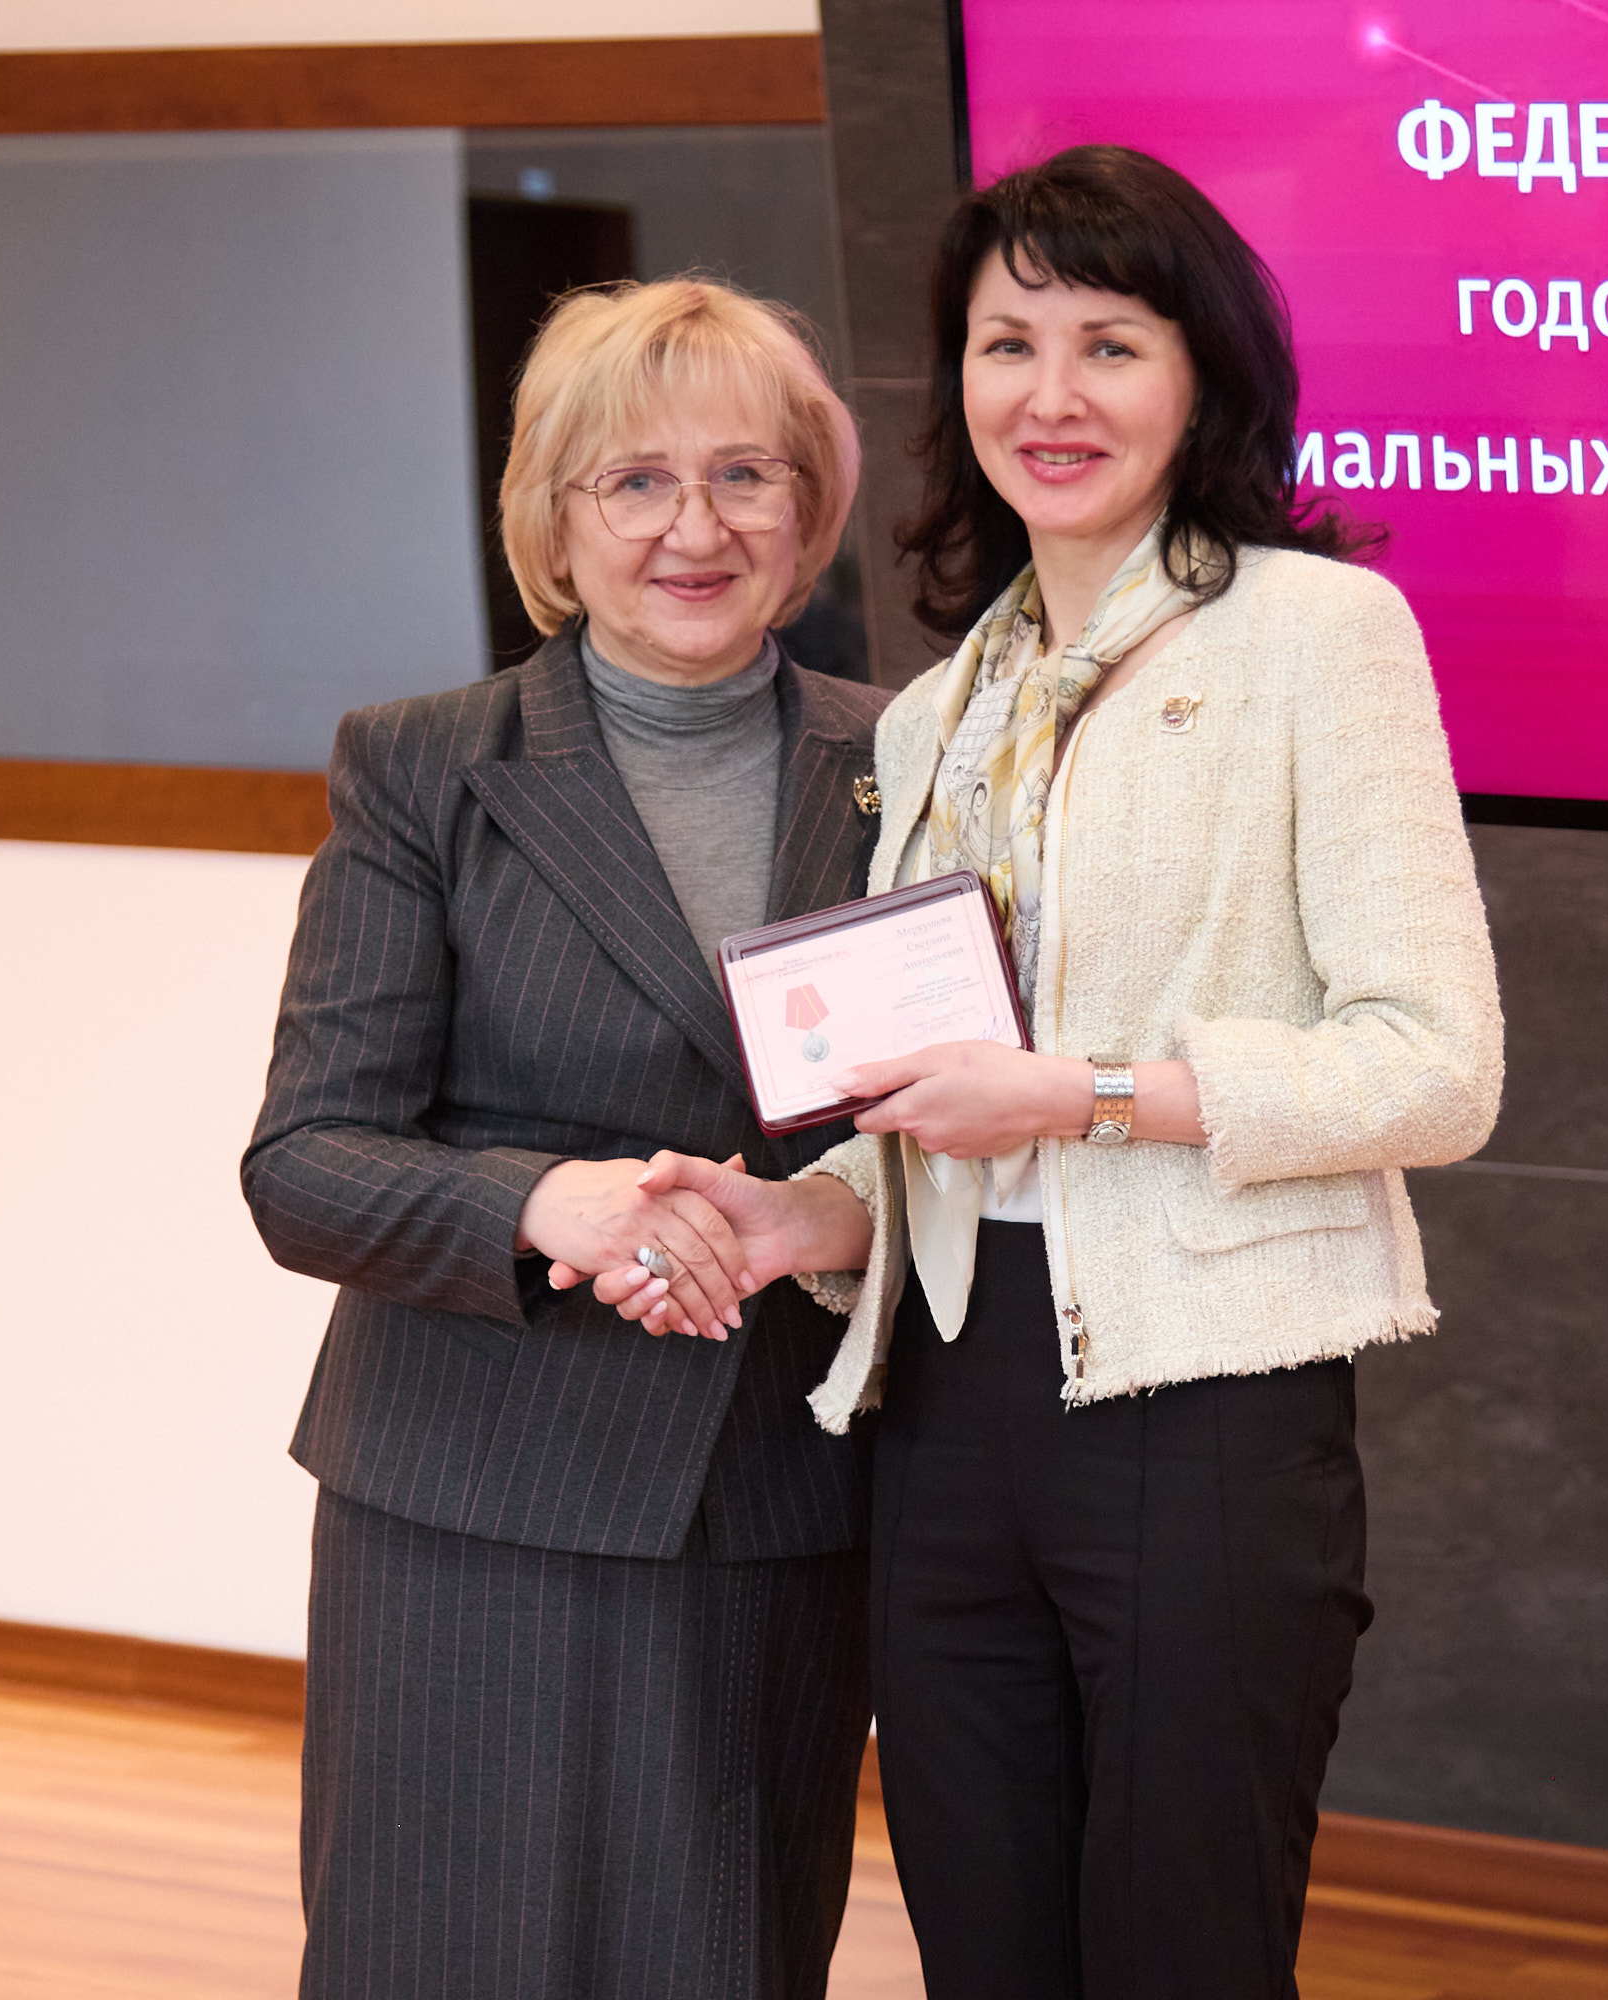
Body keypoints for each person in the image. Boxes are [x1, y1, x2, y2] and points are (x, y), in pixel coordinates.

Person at [601, 147, 1506, 1998]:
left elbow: (1434, 1070)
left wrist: (1084, 1094)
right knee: (987, 1949)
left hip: (1203, 1402)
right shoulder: (947, 706)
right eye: (1008, 345)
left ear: (1202, 374)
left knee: (1181, 1953)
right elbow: (937, 1111)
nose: (1051, 394)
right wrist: (796, 1220)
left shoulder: (1316, 636)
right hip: (946, 1406)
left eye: (1111, 344)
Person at [241, 277, 892, 2000]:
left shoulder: (909, 765)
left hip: (775, 1495)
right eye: (638, 481)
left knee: (725, 1955)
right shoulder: (425, 769)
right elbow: (304, 1162)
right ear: (554, 514)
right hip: (471, 1493)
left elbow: (956, 1120)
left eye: (746, 475)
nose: (697, 528)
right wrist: (551, 1203)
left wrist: (821, 1214)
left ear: (809, 508)